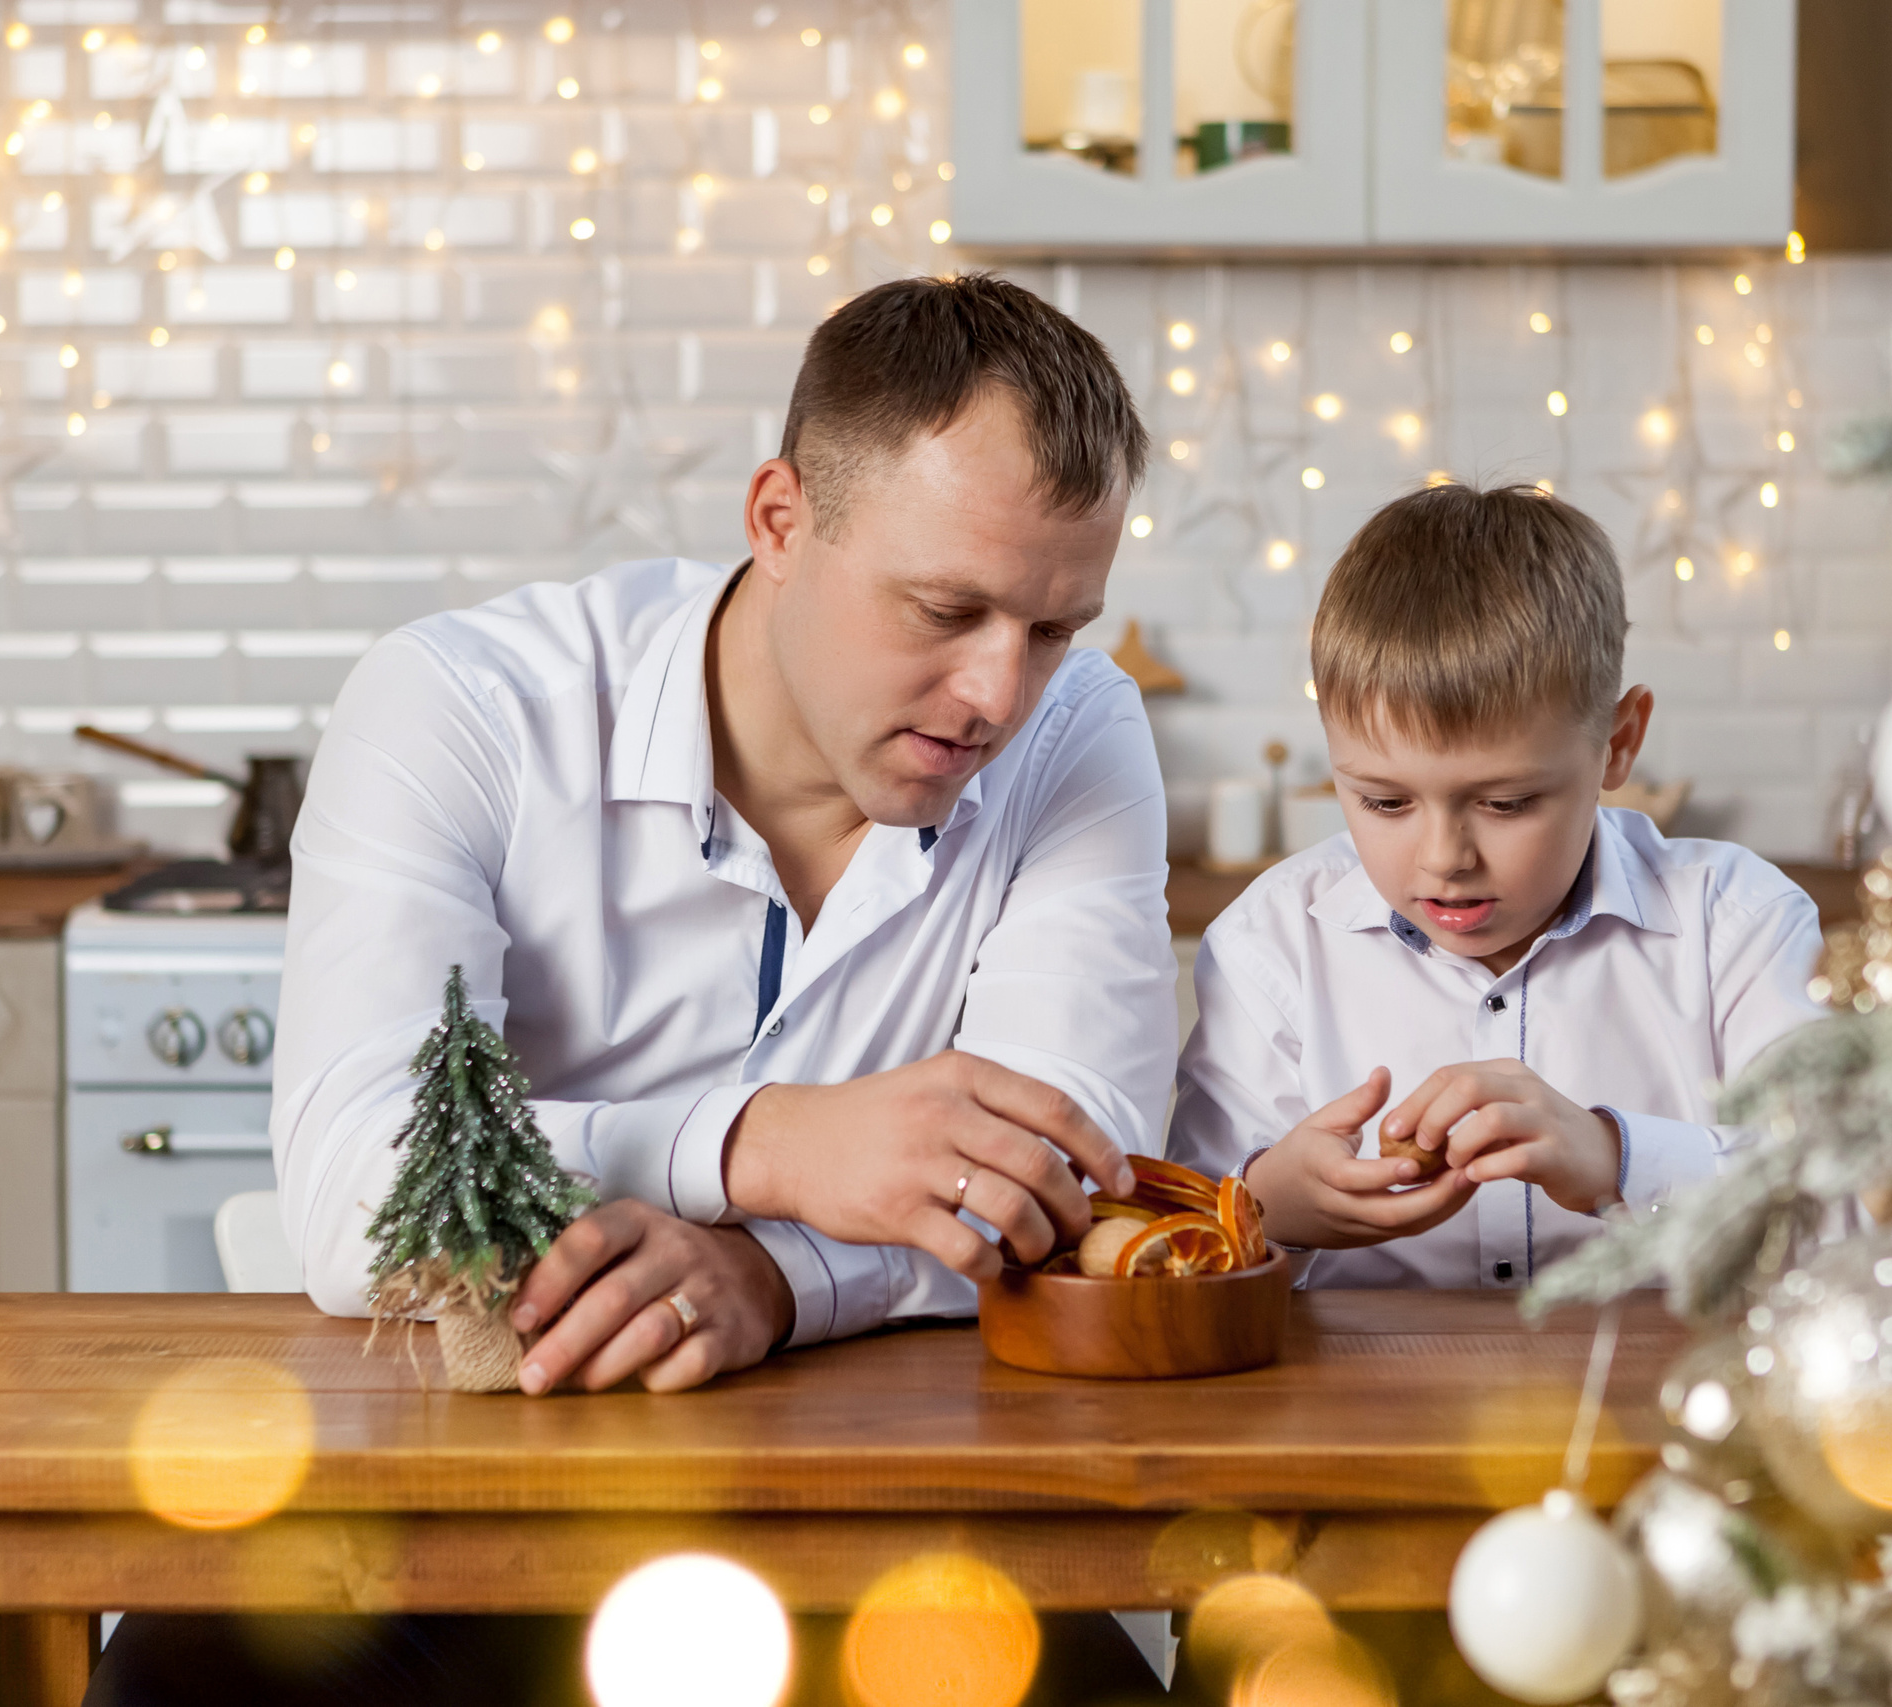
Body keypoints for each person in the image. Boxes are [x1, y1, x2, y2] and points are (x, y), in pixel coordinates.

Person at [87, 275, 1178, 1706]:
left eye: (1052, 628)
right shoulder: (460, 706)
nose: (998, 693)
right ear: (781, 518)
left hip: (893, 1532)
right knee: (180, 1673)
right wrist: (765, 1145)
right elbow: (362, 1186)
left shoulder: (1082, 730)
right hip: (455, 1524)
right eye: (946, 607)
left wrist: (774, 1277)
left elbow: (1069, 1179)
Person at [1166, 481, 1827, 1285]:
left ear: (1619, 743)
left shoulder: (1739, 926)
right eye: (1384, 801)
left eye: (1506, 802)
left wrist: (1619, 1159)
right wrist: (1270, 1206)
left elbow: (1846, 1201)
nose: (1444, 856)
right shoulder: (1270, 944)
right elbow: (1184, 1238)